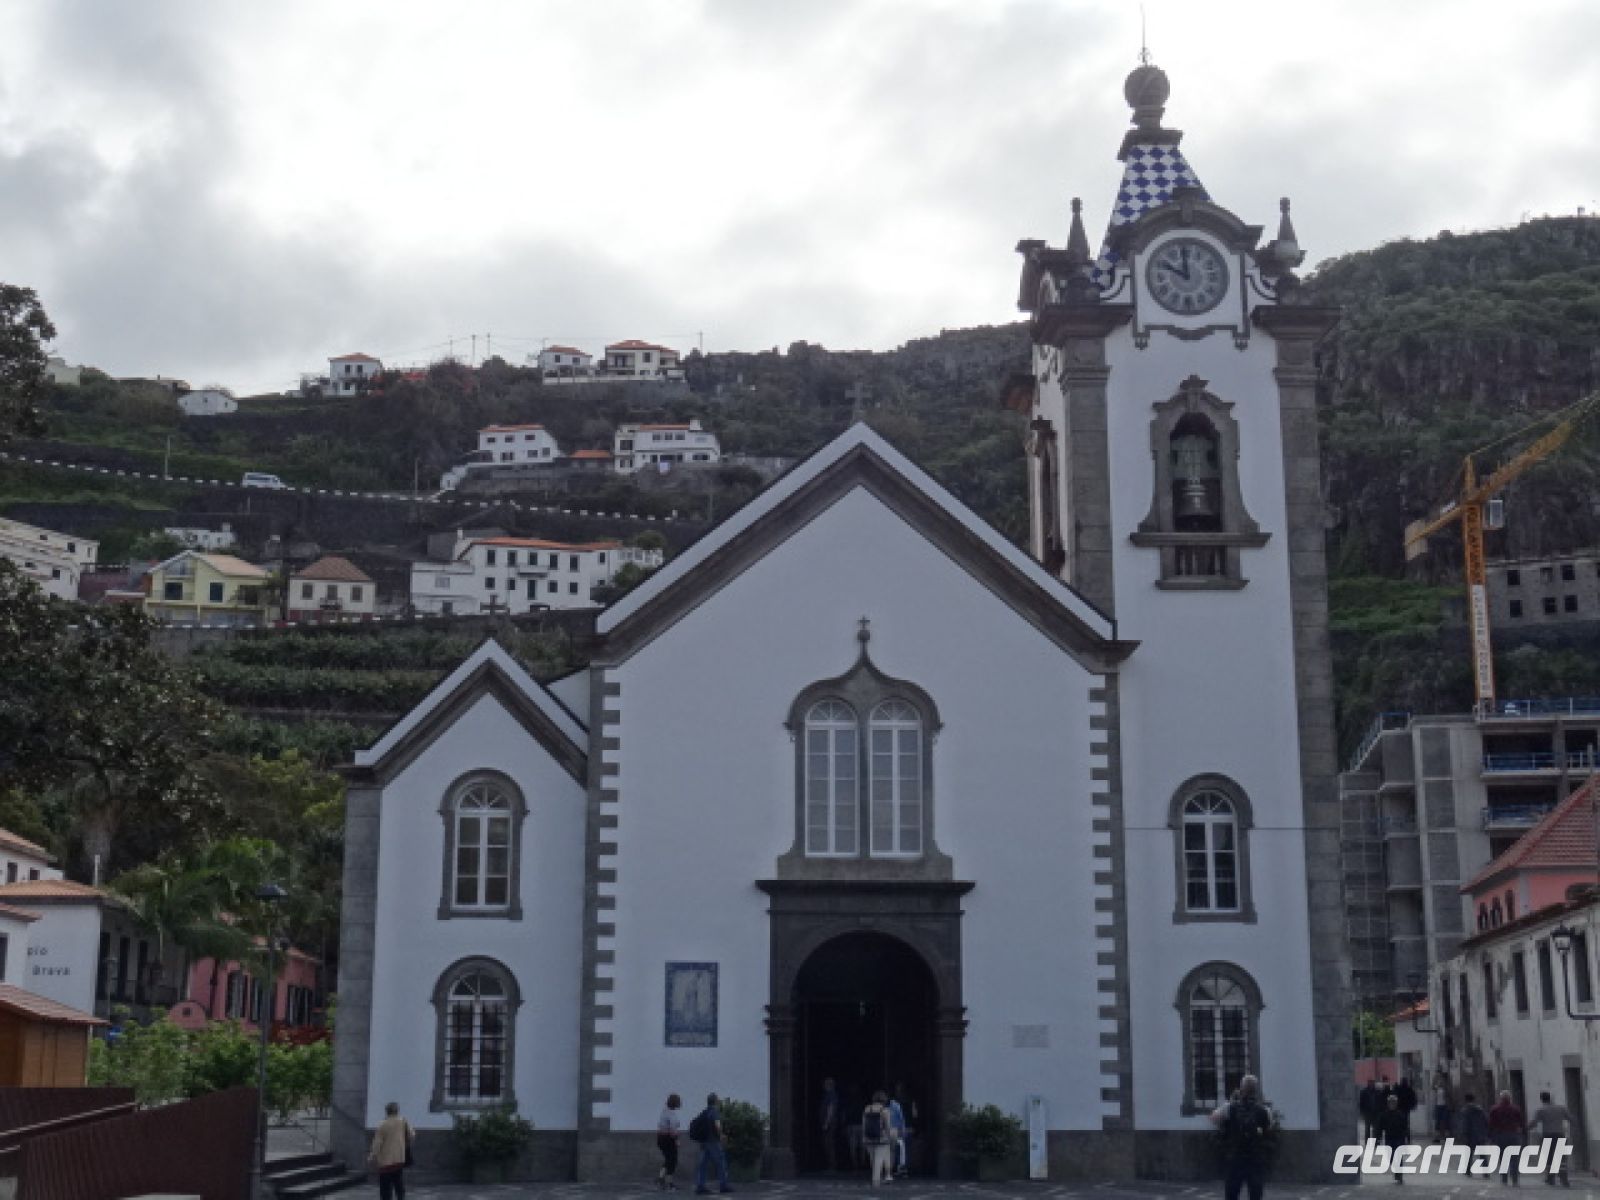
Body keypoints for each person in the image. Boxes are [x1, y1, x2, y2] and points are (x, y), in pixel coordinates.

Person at [1211, 1074, 1274, 1200]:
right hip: (1255, 1158)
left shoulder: (1230, 1107)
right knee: (1255, 1195)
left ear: (1241, 1089)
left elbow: (1214, 1119)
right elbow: (1268, 1128)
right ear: (1256, 1090)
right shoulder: (1265, 1110)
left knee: (1232, 1194)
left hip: (1235, 1158)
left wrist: (1231, 1100)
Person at [368, 1101, 414, 1200]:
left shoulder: (383, 1124)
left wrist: (372, 1156)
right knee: (398, 1182)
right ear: (397, 1111)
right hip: (399, 1159)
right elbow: (411, 1135)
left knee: (385, 1187)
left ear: (386, 1111)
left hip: (385, 1161)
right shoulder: (403, 1121)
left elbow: (377, 1143)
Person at [1529, 1091, 1573, 1187]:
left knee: (1549, 1158)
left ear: (1542, 1099)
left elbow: (1534, 1123)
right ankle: (1564, 1179)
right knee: (1561, 1158)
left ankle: (1550, 1178)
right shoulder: (1561, 1108)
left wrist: (1525, 1128)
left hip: (1547, 1136)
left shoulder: (1541, 1110)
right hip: (1560, 1135)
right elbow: (1570, 1119)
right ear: (1550, 1098)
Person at [694, 1092, 732, 1196]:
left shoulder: (704, 1112)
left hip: (704, 1141)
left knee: (703, 1164)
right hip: (713, 1141)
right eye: (717, 1099)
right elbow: (717, 1124)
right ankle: (723, 1185)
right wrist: (721, 1135)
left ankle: (700, 1186)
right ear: (715, 1101)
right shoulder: (714, 1111)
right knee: (721, 1162)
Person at [1489, 1090, 1527, 1186]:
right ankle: (1515, 1179)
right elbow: (1521, 1122)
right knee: (1514, 1158)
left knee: (1502, 1157)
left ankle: (1504, 1178)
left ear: (1500, 1098)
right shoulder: (1515, 1109)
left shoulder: (1495, 1109)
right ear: (1510, 1098)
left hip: (1500, 1135)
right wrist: (1523, 1132)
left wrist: (1490, 1136)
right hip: (1513, 1135)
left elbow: (1491, 1124)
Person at [1378, 1094, 1411, 1184]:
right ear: (1388, 1104)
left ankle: (1399, 1175)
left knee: (1398, 1157)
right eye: (1390, 1103)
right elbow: (1380, 1127)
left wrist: (1407, 1139)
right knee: (1391, 1157)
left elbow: (1405, 1127)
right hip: (1389, 1138)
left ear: (1396, 1104)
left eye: (1394, 1103)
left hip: (1399, 1138)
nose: (1392, 1104)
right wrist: (1378, 1138)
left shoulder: (1400, 1115)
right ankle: (1396, 1171)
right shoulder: (1384, 1115)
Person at [863, 1090, 893, 1185]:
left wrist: (864, 1137)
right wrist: (889, 1137)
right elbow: (887, 1126)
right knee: (879, 1159)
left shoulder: (867, 1108)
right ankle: (876, 1180)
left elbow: (864, 1125)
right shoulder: (885, 1111)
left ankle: (876, 1178)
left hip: (868, 1138)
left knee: (873, 1159)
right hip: (881, 1138)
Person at [1458, 1094, 1490, 1175]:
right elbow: (1486, 1121)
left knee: (1468, 1154)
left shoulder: (1465, 1110)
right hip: (1480, 1134)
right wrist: (1485, 1132)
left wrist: (1462, 1134)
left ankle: (1468, 1170)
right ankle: (1486, 1172)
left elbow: (1464, 1124)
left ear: (1465, 1100)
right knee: (1482, 1154)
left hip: (1470, 1135)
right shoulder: (1480, 1110)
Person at [657, 1093, 683, 1191]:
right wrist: (677, 1140)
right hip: (668, 1139)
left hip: (661, 1138)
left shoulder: (665, 1111)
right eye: (678, 1101)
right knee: (672, 1161)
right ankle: (670, 1183)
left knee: (668, 1160)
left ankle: (661, 1179)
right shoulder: (671, 1114)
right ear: (675, 1103)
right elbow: (672, 1130)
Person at [820, 1077, 840, 1171]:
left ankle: (832, 1165)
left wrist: (826, 1123)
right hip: (829, 1123)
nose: (824, 1086)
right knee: (828, 1144)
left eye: (825, 1084)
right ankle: (831, 1165)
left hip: (830, 1124)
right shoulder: (829, 1095)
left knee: (829, 1144)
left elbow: (830, 1110)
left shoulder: (831, 1095)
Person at [887, 1090, 908, 1178]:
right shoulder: (896, 1106)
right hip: (893, 1130)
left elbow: (901, 1120)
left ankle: (896, 1169)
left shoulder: (894, 1106)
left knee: (894, 1150)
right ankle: (898, 1168)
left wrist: (902, 1130)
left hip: (891, 1130)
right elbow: (901, 1119)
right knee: (898, 1148)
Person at [1432, 1077, 1453, 1142]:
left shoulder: (1446, 1089)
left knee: (1445, 1121)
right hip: (1438, 1106)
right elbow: (1432, 1086)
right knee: (1437, 1122)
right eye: (1439, 1081)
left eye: (1441, 1081)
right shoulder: (1437, 1088)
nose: (1440, 1082)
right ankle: (1437, 1137)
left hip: (1445, 1106)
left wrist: (1450, 1105)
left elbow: (1449, 1097)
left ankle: (1446, 1137)